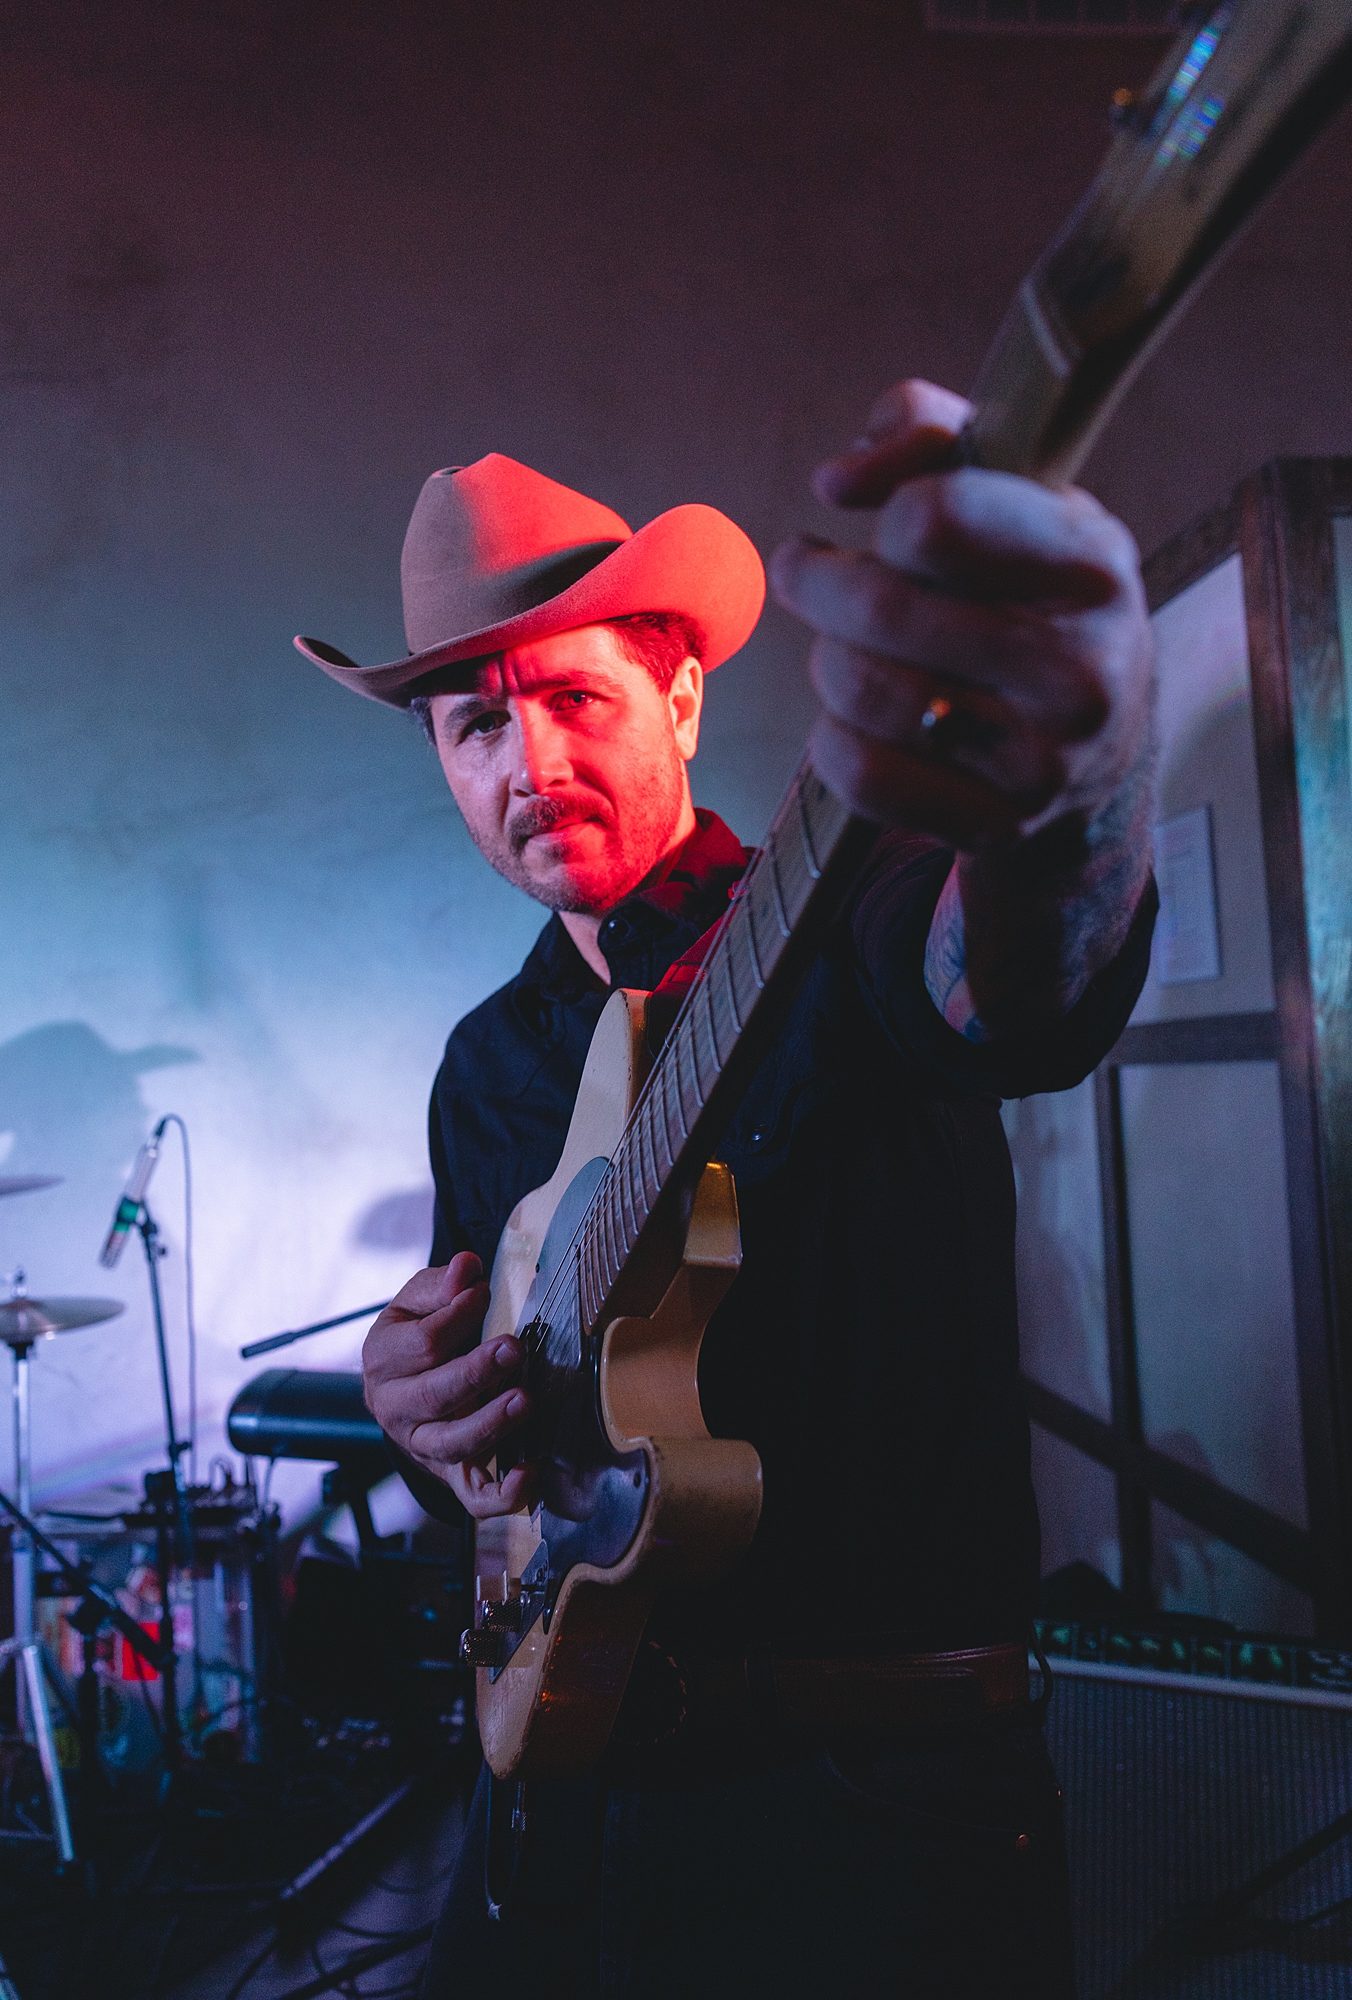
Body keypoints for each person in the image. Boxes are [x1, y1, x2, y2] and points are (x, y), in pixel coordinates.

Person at [295, 381, 1157, 1998]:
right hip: (567, 1809)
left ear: (682, 693)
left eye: (571, 697)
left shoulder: (852, 909)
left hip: (874, 1836)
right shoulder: (486, 1063)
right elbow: (509, 1430)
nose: (529, 759)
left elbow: (1026, 981)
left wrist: (1074, 790)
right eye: (477, 726)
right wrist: (428, 1422)